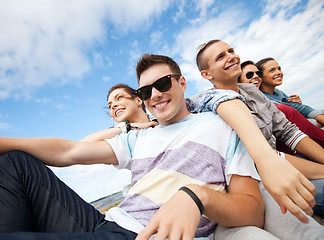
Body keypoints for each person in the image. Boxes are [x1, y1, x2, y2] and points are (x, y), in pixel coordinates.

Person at [0, 54, 264, 239]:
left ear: (182, 83)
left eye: (163, 84)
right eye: (146, 91)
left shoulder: (220, 125)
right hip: (105, 222)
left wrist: (199, 196)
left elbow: (253, 209)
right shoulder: (138, 138)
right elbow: (70, 151)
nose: (156, 95)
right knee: (15, 162)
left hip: (140, 234)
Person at [194, 39, 324, 239]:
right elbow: (260, 157)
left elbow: (287, 131)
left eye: (231, 50)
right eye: (221, 56)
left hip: (284, 165)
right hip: (259, 182)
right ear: (206, 74)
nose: (231, 56)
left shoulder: (253, 92)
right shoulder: (207, 106)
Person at [238, 60, 324, 154]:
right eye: (249, 75)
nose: (256, 76)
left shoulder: (278, 94)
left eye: (258, 73)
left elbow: (300, 110)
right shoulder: (249, 102)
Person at [256, 57, 324, 128]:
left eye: (279, 69)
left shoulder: (279, 93)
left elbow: (300, 108)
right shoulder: (262, 100)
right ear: (260, 77)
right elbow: (293, 120)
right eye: (272, 70)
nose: (279, 72)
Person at [80, 83, 157, 142]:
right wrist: (128, 126)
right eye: (110, 106)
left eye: (119, 98)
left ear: (138, 100)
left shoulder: (162, 123)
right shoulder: (118, 139)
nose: (113, 105)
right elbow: (81, 145)